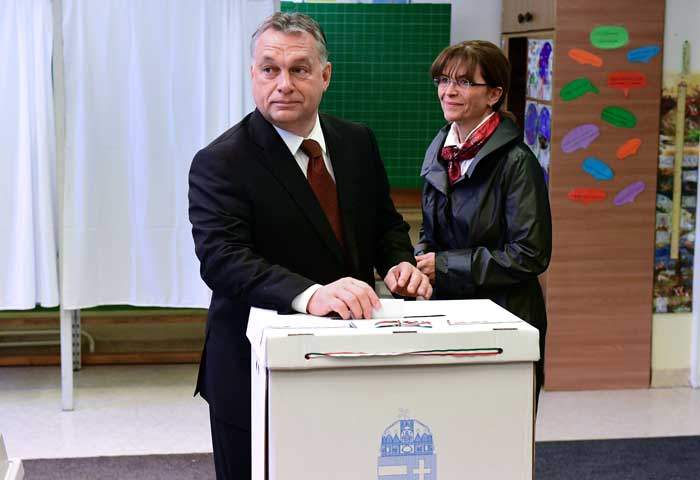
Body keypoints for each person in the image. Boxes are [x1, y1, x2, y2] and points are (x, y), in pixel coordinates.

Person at [188, 12, 432, 479]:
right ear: (253, 75)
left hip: (354, 357)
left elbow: (384, 225)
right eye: (269, 69)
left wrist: (400, 263)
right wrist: (311, 294)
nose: (283, 84)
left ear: (325, 75)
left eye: (298, 69)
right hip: (256, 368)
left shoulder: (356, 141)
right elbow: (223, 261)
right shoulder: (221, 162)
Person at [415, 40, 552, 400]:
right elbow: (431, 231)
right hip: (450, 312)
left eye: (463, 82)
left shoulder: (517, 162)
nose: (448, 91)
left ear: (493, 94)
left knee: (498, 437)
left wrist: (443, 265)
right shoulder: (440, 149)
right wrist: (419, 265)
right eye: (443, 80)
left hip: (506, 319)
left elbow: (530, 254)